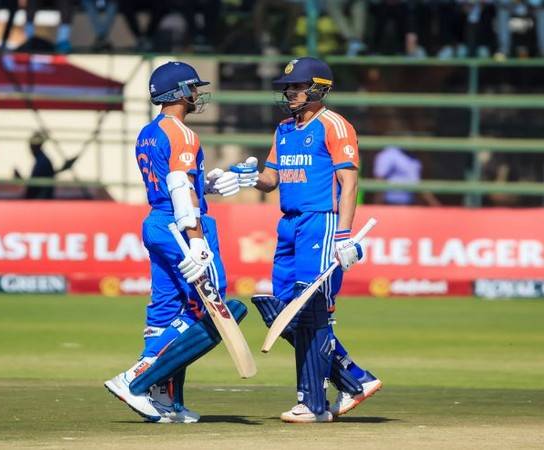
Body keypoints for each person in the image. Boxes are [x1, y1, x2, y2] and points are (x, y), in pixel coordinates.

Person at [104, 61, 258, 423]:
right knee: (210, 305)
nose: (197, 95)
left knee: (164, 311)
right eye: (193, 89)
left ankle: (163, 398)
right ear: (177, 93)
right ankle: (136, 379)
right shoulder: (183, 134)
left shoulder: (149, 132)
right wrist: (196, 240)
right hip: (180, 225)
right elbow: (179, 184)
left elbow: (177, 182)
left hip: (159, 222)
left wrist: (213, 183)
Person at [249, 57, 382, 423]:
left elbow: (349, 182)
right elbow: (270, 179)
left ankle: (313, 402)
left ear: (319, 88)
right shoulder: (283, 129)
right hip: (288, 225)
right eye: (287, 87)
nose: (290, 92)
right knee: (281, 308)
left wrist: (343, 234)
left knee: (310, 310)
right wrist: (243, 177)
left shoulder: (335, 125)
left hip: (320, 224)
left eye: (297, 86)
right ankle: (354, 378)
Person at [14, 132, 76, 199]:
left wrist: (21, 180)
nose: (30, 149)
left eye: (31, 146)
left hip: (39, 201)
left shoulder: (42, 162)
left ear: (35, 146)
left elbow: (34, 186)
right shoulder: (41, 160)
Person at [373, 145, 441, 206]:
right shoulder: (389, 154)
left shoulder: (413, 157)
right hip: (391, 204)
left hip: (409, 204)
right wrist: (376, 207)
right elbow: (380, 180)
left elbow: (416, 184)